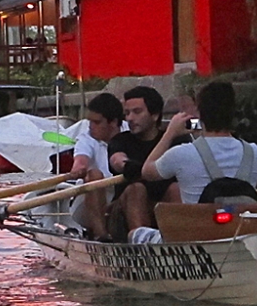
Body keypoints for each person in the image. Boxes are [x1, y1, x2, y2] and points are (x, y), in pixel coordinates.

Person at [142, 80, 257, 216]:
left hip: (199, 233)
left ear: (200, 114)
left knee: (136, 234)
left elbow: (147, 172)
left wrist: (170, 133)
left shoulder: (182, 154)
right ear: (233, 113)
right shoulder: (256, 154)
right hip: (245, 232)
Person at [107, 86, 184, 239]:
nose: (129, 118)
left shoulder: (178, 142)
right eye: (127, 113)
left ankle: (180, 241)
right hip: (123, 214)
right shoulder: (120, 140)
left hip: (161, 208)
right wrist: (126, 165)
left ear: (155, 115)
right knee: (137, 189)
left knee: (176, 188)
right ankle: (143, 246)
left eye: (137, 112)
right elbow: (117, 159)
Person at [67, 93, 124, 240]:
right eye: (90, 122)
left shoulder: (130, 133)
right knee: (94, 175)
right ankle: (101, 235)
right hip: (86, 203)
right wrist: (78, 169)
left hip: (119, 199)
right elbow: (80, 161)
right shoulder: (86, 139)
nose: (91, 127)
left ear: (113, 123)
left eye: (97, 122)